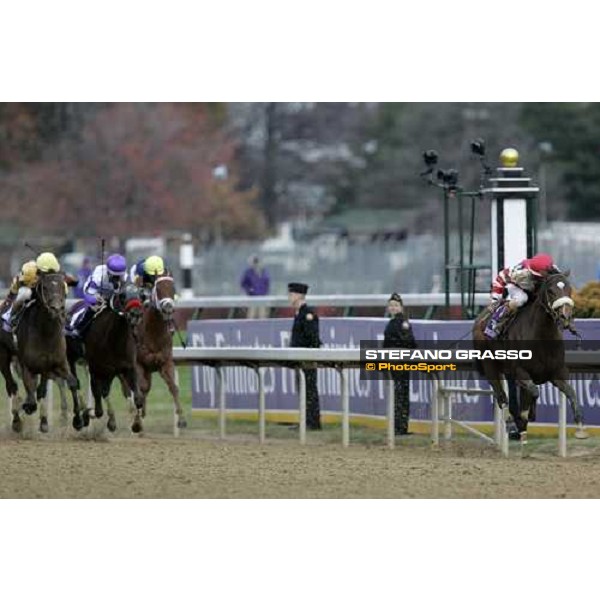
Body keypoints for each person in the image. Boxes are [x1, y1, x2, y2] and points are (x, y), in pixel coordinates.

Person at [485, 253, 558, 339]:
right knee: (522, 298)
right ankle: (496, 320)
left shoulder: (553, 268)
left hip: (533, 286)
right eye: (544, 275)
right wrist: (495, 299)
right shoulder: (520, 273)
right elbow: (501, 277)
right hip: (517, 286)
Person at [68, 253, 128, 338]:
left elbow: (124, 293)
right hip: (96, 294)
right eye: (114, 276)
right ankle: (78, 329)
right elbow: (88, 294)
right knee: (93, 309)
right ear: (108, 271)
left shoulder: (125, 276)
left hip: (113, 296)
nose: (116, 279)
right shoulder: (99, 275)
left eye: (118, 276)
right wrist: (95, 300)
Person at [288, 282, 321, 430]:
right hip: (300, 358)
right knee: (303, 390)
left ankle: (312, 422)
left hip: (307, 358)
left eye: (291, 294)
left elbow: (312, 338)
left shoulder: (307, 314)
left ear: (299, 295)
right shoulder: (299, 314)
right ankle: (306, 420)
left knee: (309, 390)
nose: (289, 297)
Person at [383, 293, 417, 435]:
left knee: (400, 395)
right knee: (399, 395)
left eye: (396, 305)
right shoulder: (392, 322)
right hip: (394, 362)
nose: (393, 308)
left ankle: (400, 427)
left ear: (401, 308)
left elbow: (410, 343)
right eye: (391, 305)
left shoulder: (403, 323)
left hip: (401, 363)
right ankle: (399, 426)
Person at [1, 252, 62, 331]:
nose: (50, 275)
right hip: (28, 289)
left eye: (53, 272)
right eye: (47, 273)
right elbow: (20, 284)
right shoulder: (30, 271)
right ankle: (11, 317)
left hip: (41, 291)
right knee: (25, 293)